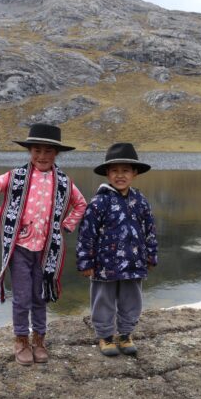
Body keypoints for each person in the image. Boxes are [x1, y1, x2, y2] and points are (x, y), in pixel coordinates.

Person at [0, 123, 87, 366]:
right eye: (37, 150)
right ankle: (21, 340)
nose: (42, 156)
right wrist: (1, 216)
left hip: (47, 250)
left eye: (48, 151)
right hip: (20, 249)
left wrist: (65, 226)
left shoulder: (64, 182)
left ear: (56, 154)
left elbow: (81, 204)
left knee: (40, 296)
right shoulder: (16, 176)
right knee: (22, 297)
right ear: (30, 152)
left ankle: (39, 339)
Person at [76, 142, 158, 357]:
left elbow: (149, 229)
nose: (120, 175)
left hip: (134, 263)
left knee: (132, 299)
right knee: (103, 299)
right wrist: (86, 262)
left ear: (135, 173)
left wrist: (151, 255)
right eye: (114, 171)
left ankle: (125, 334)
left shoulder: (140, 201)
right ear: (107, 174)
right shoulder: (98, 202)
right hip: (105, 265)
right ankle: (105, 335)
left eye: (125, 170)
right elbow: (86, 234)